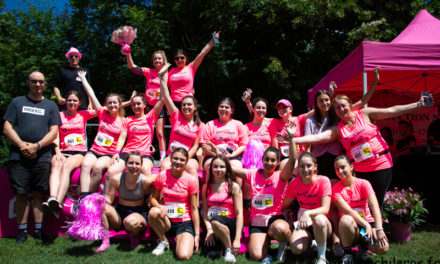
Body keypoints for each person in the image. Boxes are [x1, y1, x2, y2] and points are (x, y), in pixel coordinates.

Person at [294, 93, 434, 210]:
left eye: (343, 106)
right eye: (337, 108)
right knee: (362, 202)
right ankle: (365, 234)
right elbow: (317, 137)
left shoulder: (365, 114)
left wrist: (418, 104)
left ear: (350, 105)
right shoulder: (338, 129)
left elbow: (392, 111)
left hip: (380, 164)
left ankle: (376, 234)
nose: (341, 109)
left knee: (376, 201)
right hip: (359, 170)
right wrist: (294, 140)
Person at [3, 71, 60, 243]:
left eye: (40, 82)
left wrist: (36, 146)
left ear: (44, 84)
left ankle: (38, 230)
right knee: (21, 194)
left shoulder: (51, 106)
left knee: (38, 195)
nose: (37, 85)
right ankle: (21, 231)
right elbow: (7, 127)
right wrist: (22, 145)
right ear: (28, 82)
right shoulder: (17, 102)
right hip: (18, 156)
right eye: (34, 81)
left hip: (42, 156)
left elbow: (54, 131)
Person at [231, 123, 297, 262]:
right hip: (257, 222)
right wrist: (220, 157)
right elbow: (233, 170)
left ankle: (282, 247)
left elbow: (292, 159)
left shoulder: (281, 176)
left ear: (278, 162)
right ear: (262, 160)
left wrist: (291, 137)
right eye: (266, 159)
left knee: (281, 229)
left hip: (275, 220)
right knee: (256, 256)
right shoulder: (253, 173)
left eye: (273, 160)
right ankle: (266, 248)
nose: (269, 162)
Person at [305, 68, 379, 179]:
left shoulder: (338, 114)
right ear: (316, 104)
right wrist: (309, 162)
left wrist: (375, 82)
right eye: (321, 101)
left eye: (327, 100)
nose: (324, 103)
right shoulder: (311, 121)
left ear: (331, 101)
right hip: (319, 159)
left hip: (337, 158)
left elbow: (363, 101)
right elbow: (307, 145)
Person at [43, 90, 96, 219]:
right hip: (62, 151)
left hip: (79, 152)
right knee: (56, 164)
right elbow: (55, 135)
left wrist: (89, 94)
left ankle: (58, 202)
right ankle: (53, 198)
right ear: (65, 101)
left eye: (75, 100)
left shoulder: (83, 114)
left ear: (80, 103)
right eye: (69, 100)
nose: (72, 102)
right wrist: (57, 151)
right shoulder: (59, 115)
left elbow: (100, 109)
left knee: (66, 166)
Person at [332, 155, 389, 262]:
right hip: (351, 226)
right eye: (337, 169)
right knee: (345, 220)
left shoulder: (364, 183)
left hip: (367, 224)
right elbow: (348, 211)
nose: (340, 171)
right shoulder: (335, 189)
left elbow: (374, 206)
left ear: (351, 167)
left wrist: (378, 228)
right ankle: (348, 253)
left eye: (343, 167)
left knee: (383, 248)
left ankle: (363, 247)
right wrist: (365, 224)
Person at [77, 71, 125, 196]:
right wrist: (83, 78)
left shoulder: (124, 121)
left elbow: (123, 139)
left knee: (98, 167)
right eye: (109, 103)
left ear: (119, 104)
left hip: (108, 154)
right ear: (106, 105)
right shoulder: (102, 113)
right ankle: (83, 196)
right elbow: (91, 94)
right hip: (94, 150)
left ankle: (90, 198)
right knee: (85, 165)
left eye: (115, 102)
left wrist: (117, 153)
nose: (112, 105)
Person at [148, 148, 200, 260]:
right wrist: (158, 206)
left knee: (184, 256)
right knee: (153, 212)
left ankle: (182, 239)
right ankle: (163, 241)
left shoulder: (190, 180)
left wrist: (197, 235)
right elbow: (153, 199)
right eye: (175, 158)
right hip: (167, 220)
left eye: (182, 160)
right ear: (171, 159)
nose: (178, 162)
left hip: (184, 222)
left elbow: (195, 209)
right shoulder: (162, 175)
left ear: (186, 162)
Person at [95, 152, 151, 253]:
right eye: (131, 163)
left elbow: (160, 180)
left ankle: (134, 236)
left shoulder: (145, 180)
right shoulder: (116, 179)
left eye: (137, 163)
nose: (134, 166)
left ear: (141, 166)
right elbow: (110, 200)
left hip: (138, 214)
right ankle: (105, 241)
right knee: (102, 206)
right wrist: (100, 199)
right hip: (120, 214)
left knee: (130, 222)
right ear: (125, 164)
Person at [283, 152, 332, 264]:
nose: (305, 169)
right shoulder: (295, 182)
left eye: (309, 166)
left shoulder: (324, 180)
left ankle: (321, 257)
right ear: (298, 168)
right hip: (304, 224)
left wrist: (308, 213)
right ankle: (311, 242)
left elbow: (325, 209)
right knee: (296, 249)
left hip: (322, 224)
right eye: (302, 166)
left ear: (315, 167)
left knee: (319, 220)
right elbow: (285, 204)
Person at [106, 92, 163, 187]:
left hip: (145, 154)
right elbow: (122, 137)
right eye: (133, 104)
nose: (136, 106)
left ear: (144, 105)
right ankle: (105, 199)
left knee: (145, 171)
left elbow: (162, 99)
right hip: (127, 153)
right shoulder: (127, 120)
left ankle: (145, 200)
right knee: (111, 171)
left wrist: (162, 79)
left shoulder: (151, 117)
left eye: (138, 103)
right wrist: (116, 152)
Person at [158, 63, 204, 180]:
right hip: (171, 155)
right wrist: (161, 79)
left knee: (192, 169)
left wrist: (183, 158)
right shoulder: (176, 115)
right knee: (164, 166)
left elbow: (195, 146)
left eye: (189, 105)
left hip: (188, 157)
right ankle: (164, 198)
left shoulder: (200, 125)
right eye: (183, 105)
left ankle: (195, 197)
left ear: (195, 107)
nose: (186, 107)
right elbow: (167, 97)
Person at [125, 50, 168, 161]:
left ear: (163, 60)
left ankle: (163, 158)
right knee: (140, 129)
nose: (157, 60)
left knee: (159, 132)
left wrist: (190, 92)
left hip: (160, 106)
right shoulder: (149, 71)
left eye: (159, 58)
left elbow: (178, 86)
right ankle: (139, 151)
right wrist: (128, 52)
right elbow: (132, 67)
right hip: (147, 106)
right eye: (155, 59)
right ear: (152, 61)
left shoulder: (168, 73)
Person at [202, 155, 243, 262]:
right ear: (211, 168)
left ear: (227, 169)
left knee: (216, 221)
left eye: (222, 167)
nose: (218, 170)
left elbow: (239, 213)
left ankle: (229, 250)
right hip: (213, 226)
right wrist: (209, 230)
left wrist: (238, 238)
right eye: (215, 166)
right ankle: (222, 245)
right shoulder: (206, 187)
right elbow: (205, 212)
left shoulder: (233, 186)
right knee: (212, 255)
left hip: (230, 224)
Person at [200, 98, 249, 185]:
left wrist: (232, 155)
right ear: (218, 109)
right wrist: (217, 155)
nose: (223, 109)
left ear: (232, 110)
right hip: (213, 156)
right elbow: (204, 145)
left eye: (227, 107)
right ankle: (208, 196)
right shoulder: (210, 124)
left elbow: (244, 144)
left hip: (233, 156)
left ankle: (237, 196)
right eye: (221, 107)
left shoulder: (238, 124)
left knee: (237, 167)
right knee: (209, 166)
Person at [168, 31, 220, 108]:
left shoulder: (191, 67)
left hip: (187, 102)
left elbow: (203, 53)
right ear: (174, 60)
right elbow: (165, 87)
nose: (179, 60)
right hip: (173, 103)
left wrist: (213, 40)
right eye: (177, 58)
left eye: (182, 58)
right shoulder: (171, 71)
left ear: (186, 59)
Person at [269, 99, 312, 171]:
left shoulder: (298, 119)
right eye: (280, 109)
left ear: (291, 109)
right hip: (284, 157)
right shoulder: (275, 122)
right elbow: (260, 117)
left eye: (284, 107)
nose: (282, 110)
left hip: (299, 156)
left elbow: (314, 112)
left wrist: (330, 96)